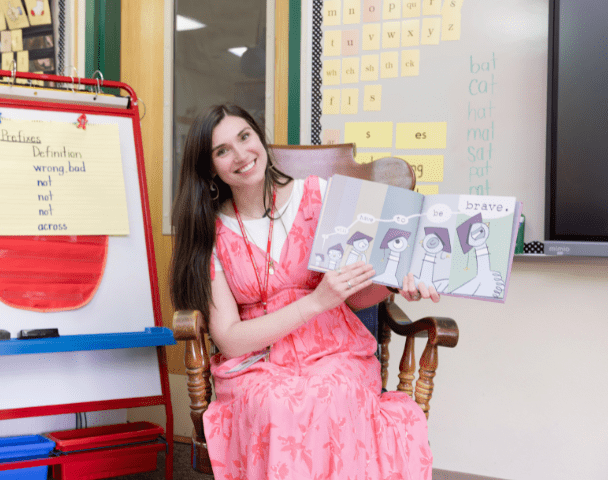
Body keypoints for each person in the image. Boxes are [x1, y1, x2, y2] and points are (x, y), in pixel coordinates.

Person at [170, 103, 440, 480]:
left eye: (245, 137)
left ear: (259, 138)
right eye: (222, 150)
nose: (241, 155)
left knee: (335, 394)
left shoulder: (323, 196)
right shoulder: (210, 232)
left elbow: (358, 296)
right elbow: (229, 339)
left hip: (336, 348)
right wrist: (315, 302)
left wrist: (396, 282)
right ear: (210, 168)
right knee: (276, 405)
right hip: (257, 358)